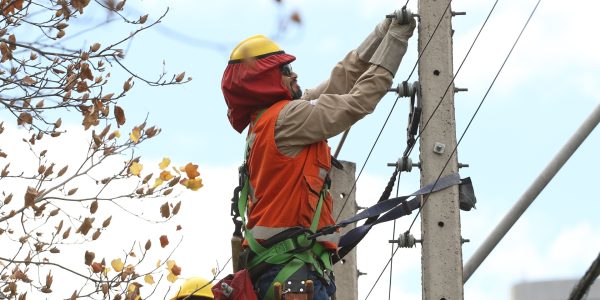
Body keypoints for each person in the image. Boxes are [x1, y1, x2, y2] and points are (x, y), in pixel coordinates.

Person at [221, 12, 416, 300]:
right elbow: (357, 101)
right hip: (292, 272)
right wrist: (397, 40)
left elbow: (341, 79)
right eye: (285, 69)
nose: (294, 73)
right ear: (266, 80)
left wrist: (382, 33)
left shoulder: (268, 122)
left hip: (290, 271)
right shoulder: (287, 119)